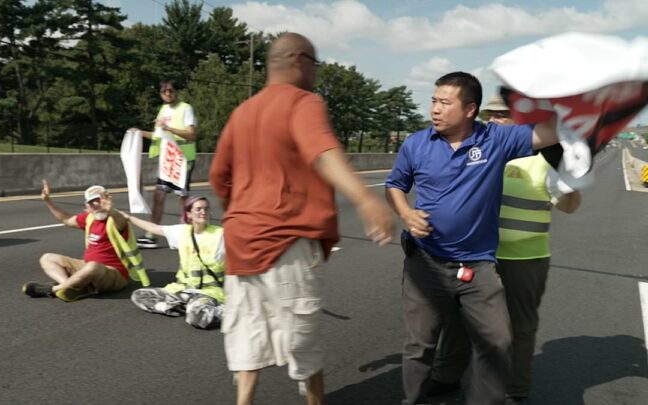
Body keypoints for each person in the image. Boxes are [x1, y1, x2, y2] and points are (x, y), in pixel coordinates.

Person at [209, 32, 394, 405]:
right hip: (288, 241)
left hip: (241, 244)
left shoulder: (242, 112)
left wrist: (245, 210)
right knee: (303, 343)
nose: (316, 72)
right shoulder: (304, 102)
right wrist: (365, 198)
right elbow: (322, 151)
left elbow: (218, 177)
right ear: (298, 60)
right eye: (315, 63)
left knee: (247, 333)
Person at [384, 72, 559, 405]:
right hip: (426, 261)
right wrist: (405, 213)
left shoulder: (496, 139)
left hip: (477, 266)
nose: (434, 109)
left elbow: (552, 132)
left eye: (444, 103)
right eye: (434, 101)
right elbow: (395, 185)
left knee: (497, 341)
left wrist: (551, 98)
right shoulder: (416, 143)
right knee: (421, 344)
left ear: (469, 109)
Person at [429, 94, 581, 404]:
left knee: (519, 329)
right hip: (476, 254)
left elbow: (569, 206)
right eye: (492, 115)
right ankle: (446, 377)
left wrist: (569, 185)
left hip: (524, 259)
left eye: (503, 115)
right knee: (457, 319)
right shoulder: (479, 151)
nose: (495, 120)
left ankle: (514, 391)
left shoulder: (546, 158)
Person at [22, 180, 149, 302]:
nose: (97, 205)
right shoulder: (89, 218)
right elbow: (66, 220)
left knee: (93, 266)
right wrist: (48, 201)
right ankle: (71, 286)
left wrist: (111, 210)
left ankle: (54, 289)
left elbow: (119, 221)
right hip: (88, 266)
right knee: (47, 258)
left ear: (107, 200)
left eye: (100, 200)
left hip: (115, 274)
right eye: (92, 202)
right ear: (87, 206)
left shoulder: (116, 219)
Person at [126, 195, 225, 329]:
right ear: (189, 214)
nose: (203, 212)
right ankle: (181, 307)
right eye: (199, 209)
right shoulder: (182, 231)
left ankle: (225, 311)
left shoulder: (220, 235)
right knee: (139, 295)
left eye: (206, 209)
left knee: (196, 318)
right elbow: (154, 228)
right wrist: (129, 218)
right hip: (182, 289)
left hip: (209, 292)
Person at [128, 79, 197, 249]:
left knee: (182, 198)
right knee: (158, 197)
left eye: (171, 91)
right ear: (160, 94)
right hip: (167, 160)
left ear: (176, 92)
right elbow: (158, 135)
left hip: (182, 159)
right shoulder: (163, 110)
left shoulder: (185, 108)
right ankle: (151, 235)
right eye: (164, 92)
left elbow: (191, 134)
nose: (168, 94)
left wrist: (170, 129)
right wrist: (138, 133)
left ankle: (191, 234)